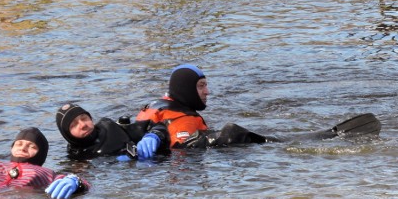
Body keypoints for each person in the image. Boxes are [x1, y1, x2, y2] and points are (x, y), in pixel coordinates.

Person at [137, 63, 270, 149]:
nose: (207, 92)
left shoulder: (155, 105)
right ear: (186, 89)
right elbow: (184, 151)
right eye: (201, 86)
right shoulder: (185, 120)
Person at [55, 103, 170, 160]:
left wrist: (154, 136)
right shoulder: (78, 159)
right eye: (74, 125)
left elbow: (155, 125)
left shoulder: (110, 128)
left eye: (84, 118)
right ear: (67, 135)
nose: (83, 125)